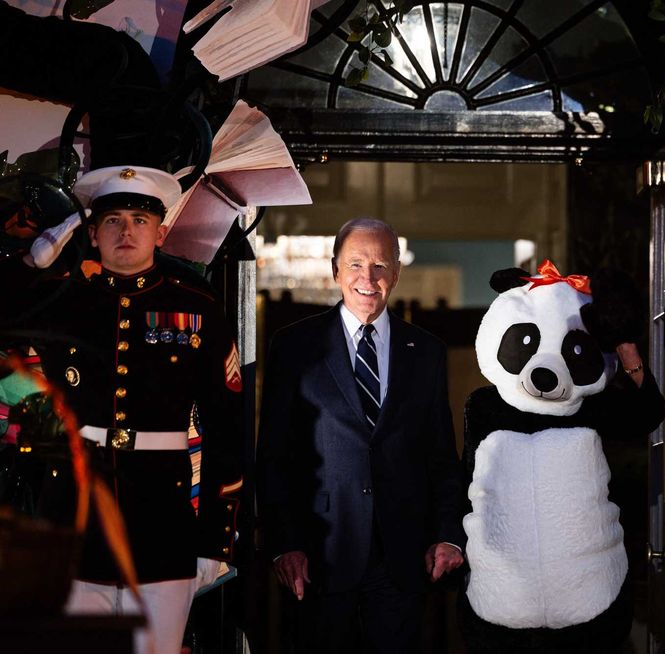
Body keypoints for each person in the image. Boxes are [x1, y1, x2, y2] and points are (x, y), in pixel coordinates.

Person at [5, 165, 244, 654]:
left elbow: (228, 430)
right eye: (112, 221)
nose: (127, 231)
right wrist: (37, 258)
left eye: (139, 219)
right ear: (91, 234)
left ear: (160, 232)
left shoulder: (199, 309)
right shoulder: (63, 301)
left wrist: (215, 541)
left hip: (166, 525)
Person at [256, 217, 465, 653]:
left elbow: (441, 456)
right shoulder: (295, 347)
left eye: (379, 266)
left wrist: (448, 535)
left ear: (396, 272)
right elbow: (274, 457)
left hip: (404, 558)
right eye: (355, 265)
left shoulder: (426, 351)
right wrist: (284, 544)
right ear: (335, 271)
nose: (367, 278)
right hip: (319, 556)